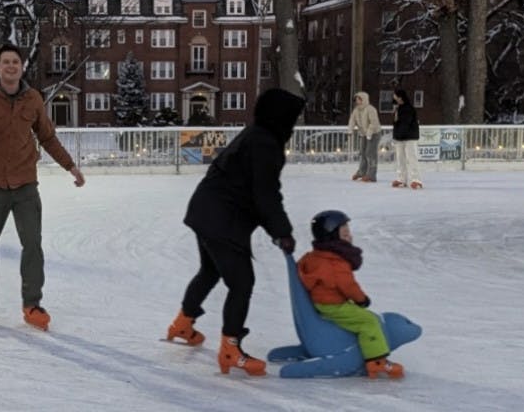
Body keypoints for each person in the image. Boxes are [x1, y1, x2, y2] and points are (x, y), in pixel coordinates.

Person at [165, 87, 305, 377]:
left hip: (205, 210)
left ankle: (183, 323)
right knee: (242, 283)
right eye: (293, 118)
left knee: (209, 271)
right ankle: (230, 349)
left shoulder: (254, 134)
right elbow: (265, 195)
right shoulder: (266, 143)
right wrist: (282, 231)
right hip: (222, 218)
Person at [0, 42, 85, 331]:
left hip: (25, 185)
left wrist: (70, 166)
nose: (11, 66)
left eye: (16, 61)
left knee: (33, 245)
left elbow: (47, 137)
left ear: (22, 66)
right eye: (6, 62)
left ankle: (32, 304)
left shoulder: (33, 99)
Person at [297, 210, 405, 379]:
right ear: (332, 237)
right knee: (369, 321)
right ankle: (377, 361)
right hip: (333, 306)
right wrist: (361, 300)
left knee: (361, 317)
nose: (350, 237)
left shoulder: (315, 257)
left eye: (349, 233)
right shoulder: (335, 262)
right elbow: (348, 285)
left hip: (323, 302)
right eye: (345, 234)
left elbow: (303, 268)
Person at [348, 91, 382, 182]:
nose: (357, 101)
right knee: (363, 152)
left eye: (359, 99)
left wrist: (369, 133)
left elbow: (374, 123)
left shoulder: (370, 109)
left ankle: (371, 174)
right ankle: (362, 171)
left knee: (370, 153)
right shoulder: (356, 110)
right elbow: (352, 120)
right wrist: (350, 130)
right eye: (356, 99)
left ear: (364, 99)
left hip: (374, 133)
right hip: (364, 134)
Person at [391, 88, 422, 189]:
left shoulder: (409, 109)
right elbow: (396, 124)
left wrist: (399, 134)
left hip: (409, 137)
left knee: (411, 157)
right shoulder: (398, 109)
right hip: (400, 137)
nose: (394, 100)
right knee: (400, 158)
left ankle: (416, 179)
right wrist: (396, 136)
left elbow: (405, 123)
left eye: (396, 97)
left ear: (400, 98)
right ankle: (401, 178)